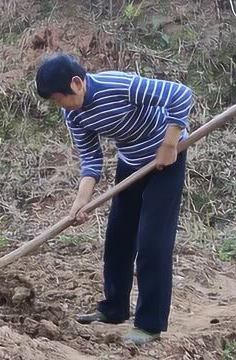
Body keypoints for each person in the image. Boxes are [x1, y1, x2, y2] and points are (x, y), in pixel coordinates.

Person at [35, 53, 193, 345]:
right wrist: (81, 201)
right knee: (119, 237)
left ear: (77, 83)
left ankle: (149, 325)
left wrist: (170, 143)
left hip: (167, 159)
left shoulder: (119, 85)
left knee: (152, 242)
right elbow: (91, 159)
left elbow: (181, 94)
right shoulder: (74, 114)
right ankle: (114, 308)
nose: (61, 106)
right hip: (131, 162)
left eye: (60, 99)